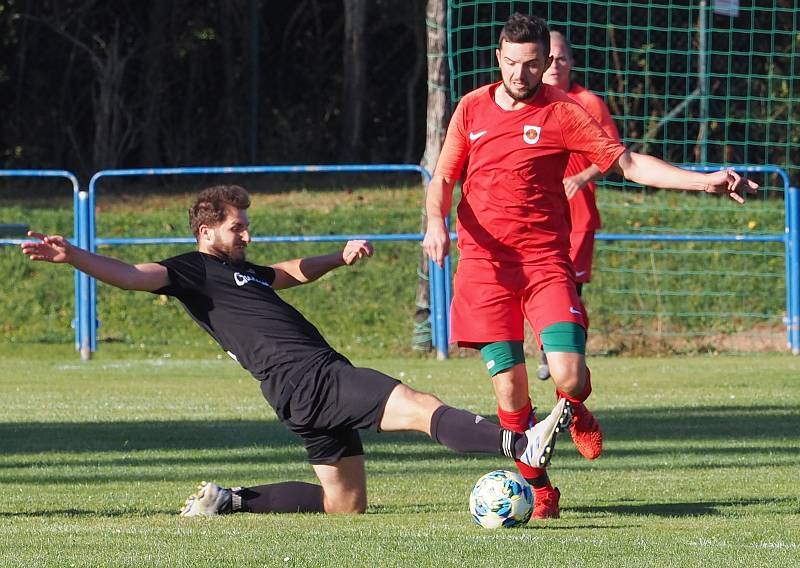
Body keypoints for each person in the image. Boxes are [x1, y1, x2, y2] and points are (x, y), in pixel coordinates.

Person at [21, 184, 573, 517]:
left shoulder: (242, 272)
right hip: (309, 377)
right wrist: (73, 256)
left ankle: (230, 501)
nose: (246, 235)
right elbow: (128, 274)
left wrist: (338, 256)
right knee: (418, 405)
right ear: (206, 230)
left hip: (294, 391)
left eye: (247, 227)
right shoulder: (191, 271)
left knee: (344, 505)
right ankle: (518, 443)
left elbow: (285, 272)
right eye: (237, 228)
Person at [422, 13, 757, 519]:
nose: (521, 74)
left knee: (571, 375)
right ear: (498, 59)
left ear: (547, 64)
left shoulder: (564, 112)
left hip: (543, 263)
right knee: (510, 395)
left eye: (533, 65)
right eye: (512, 63)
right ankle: (539, 489)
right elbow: (444, 178)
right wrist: (435, 222)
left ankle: (575, 406)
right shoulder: (471, 108)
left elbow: (628, 164)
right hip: (484, 265)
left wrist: (704, 180)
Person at [536, 30, 622, 381]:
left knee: (570, 287)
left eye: (562, 58)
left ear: (571, 62)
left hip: (579, 216)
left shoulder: (588, 102)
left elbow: (614, 155)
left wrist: (581, 178)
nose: (556, 65)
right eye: (550, 58)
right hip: (540, 218)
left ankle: (564, 353)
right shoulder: (529, 105)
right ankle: (549, 348)